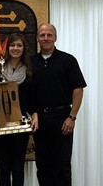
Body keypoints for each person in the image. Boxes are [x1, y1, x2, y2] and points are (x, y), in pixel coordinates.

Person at [29, 23, 87, 186]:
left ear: (55, 38)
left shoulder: (68, 60)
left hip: (62, 118)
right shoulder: (30, 62)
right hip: (40, 120)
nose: (46, 38)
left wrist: (72, 117)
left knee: (62, 166)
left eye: (49, 35)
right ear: (37, 38)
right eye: (42, 35)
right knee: (43, 166)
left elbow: (78, 90)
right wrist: (33, 112)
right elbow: (28, 92)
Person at [0, 33, 38, 186]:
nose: (15, 48)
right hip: (0, 123)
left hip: (21, 124)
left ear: (24, 48)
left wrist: (35, 114)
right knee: (3, 166)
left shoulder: (29, 72)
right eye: (12, 45)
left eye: (19, 45)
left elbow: (33, 97)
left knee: (17, 165)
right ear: (7, 48)